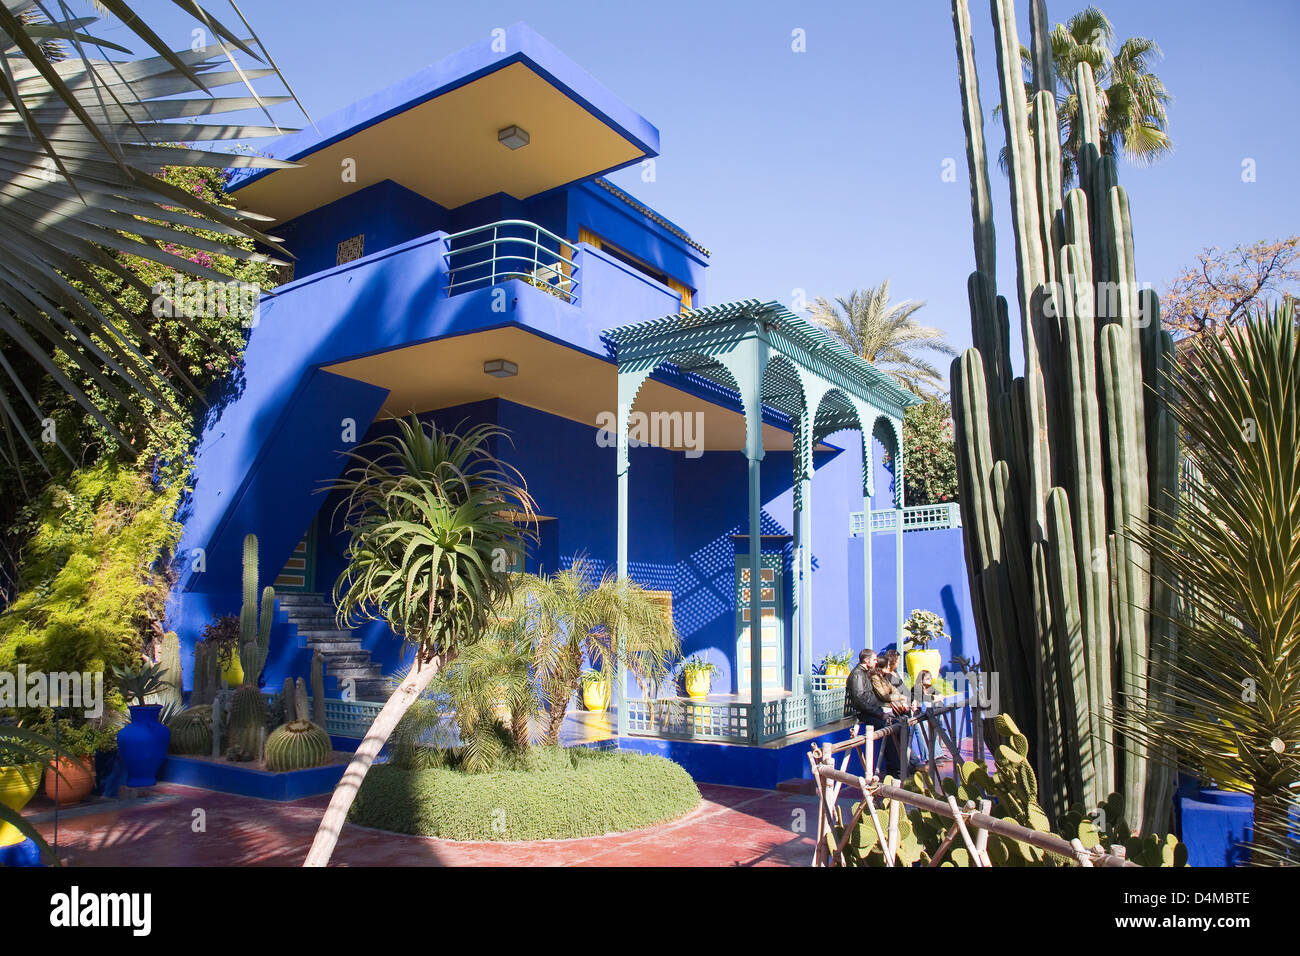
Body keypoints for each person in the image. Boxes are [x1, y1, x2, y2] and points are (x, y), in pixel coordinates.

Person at [844, 649, 885, 727]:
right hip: (865, 714)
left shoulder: (864, 672)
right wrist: (878, 713)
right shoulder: (858, 674)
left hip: (872, 711)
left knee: (898, 721)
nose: (876, 662)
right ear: (866, 660)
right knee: (892, 725)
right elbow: (859, 699)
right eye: (874, 659)